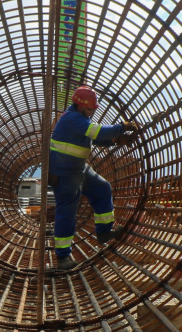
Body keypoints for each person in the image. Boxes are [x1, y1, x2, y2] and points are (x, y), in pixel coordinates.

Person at [48, 85, 139, 270]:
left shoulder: (80, 119)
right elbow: (97, 132)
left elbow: (93, 138)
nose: (92, 112)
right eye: (90, 109)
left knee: (103, 189)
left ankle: (104, 232)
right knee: (67, 211)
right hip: (64, 174)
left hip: (79, 169)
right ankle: (63, 257)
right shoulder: (72, 118)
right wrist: (122, 127)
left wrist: (115, 141)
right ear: (80, 105)